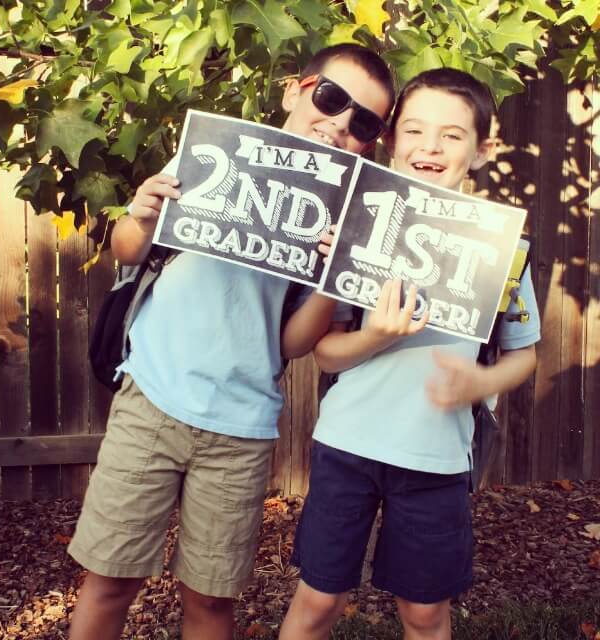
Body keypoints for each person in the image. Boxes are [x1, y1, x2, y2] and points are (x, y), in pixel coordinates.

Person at [67, 44, 396, 640]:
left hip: (241, 428)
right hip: (153, 401)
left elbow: (294, 344)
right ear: (295, 91)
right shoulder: (213, 152)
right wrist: (139, 216)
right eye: (331, 99)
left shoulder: (344, 218)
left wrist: (329, 276)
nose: (341, 124)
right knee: (109, 581)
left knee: (211, 601)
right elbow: (128, 251)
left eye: (364, 123)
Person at [279, 68, 541, 640]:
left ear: (482, 149)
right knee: (318, 599)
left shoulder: (503, 250)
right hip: (347, 448)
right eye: (416, 130)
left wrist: (477, 384)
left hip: (437, 461)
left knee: (424, 612)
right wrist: (379, 336)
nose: (430, 146)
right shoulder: (360, 227)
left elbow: (524, 355)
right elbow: (325, 356)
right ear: (393, 140)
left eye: (452, 135)